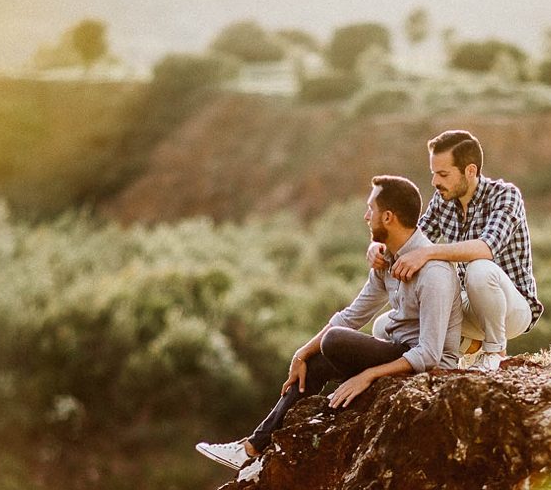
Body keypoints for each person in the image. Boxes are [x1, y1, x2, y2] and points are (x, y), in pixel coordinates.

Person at [196, 175, 462, 472]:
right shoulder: (386, 261)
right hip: (400, 352)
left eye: (370, 209)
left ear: (388, 217)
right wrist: (301, 353)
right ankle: (253, 449)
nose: (365, 216)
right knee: (315, 363)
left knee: (335, 340)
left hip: (431, 366)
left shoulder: (434, 273)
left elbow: (430, 354)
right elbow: (352, 315)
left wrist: (369, 375)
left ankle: (258, 449)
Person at [369, 129, 542, 372]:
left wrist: (428, 253)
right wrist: (378, 246)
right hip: (465, 306)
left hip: (512, 309)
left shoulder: (505, 196)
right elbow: (410, 237)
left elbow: (485, 248)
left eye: (442, 174)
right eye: (433, 174)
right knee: (382, 326)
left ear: (470, 171)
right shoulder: (443, 199)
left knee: (479, 269)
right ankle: (468, 345)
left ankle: (495, 352)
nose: (435, 182)